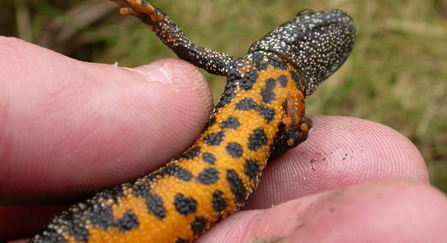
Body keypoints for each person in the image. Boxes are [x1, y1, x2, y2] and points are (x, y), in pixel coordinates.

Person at [1, 36, 446, 242]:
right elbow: (187, 51)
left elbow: (272, 148)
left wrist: (293, 134)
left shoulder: (276, 96)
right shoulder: (252, 69)